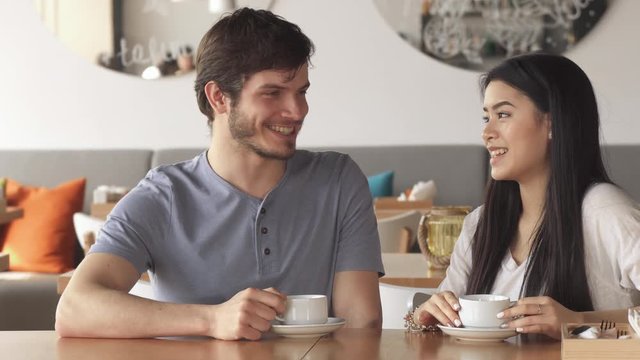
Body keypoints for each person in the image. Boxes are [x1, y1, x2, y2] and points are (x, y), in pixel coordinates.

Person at [56, 8, 383, 340]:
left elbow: (361, 324)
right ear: (219, 97)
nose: (298, 110)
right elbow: (74, 309)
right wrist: (212, 320)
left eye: (301, 91)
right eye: (273, 93)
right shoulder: (163, 196)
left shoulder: (339, 181)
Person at [413, 53, 640, 339]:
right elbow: (442, 320)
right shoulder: (480, 224)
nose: (487, 132)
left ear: (553, 123)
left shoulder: (605, 210)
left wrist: (577, 322)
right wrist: (430, 314)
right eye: (487, 117)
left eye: (503, 114)